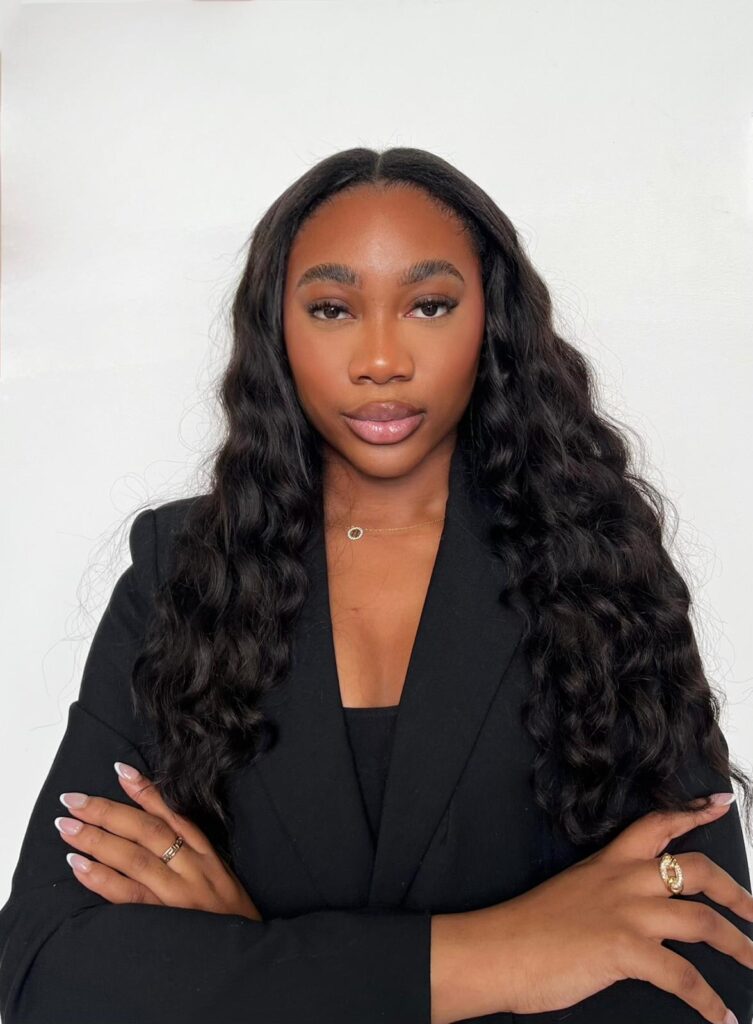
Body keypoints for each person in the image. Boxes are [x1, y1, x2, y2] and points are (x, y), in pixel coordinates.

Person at [1, 146, 752, 1024]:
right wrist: (498, 954)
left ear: (492, 321)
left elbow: (709, 969)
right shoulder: (181, 571)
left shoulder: (597, 565)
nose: (382, 359)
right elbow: (48, 974)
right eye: (332, 309)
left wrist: (254, 961)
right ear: (277, 330)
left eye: (429, 305)